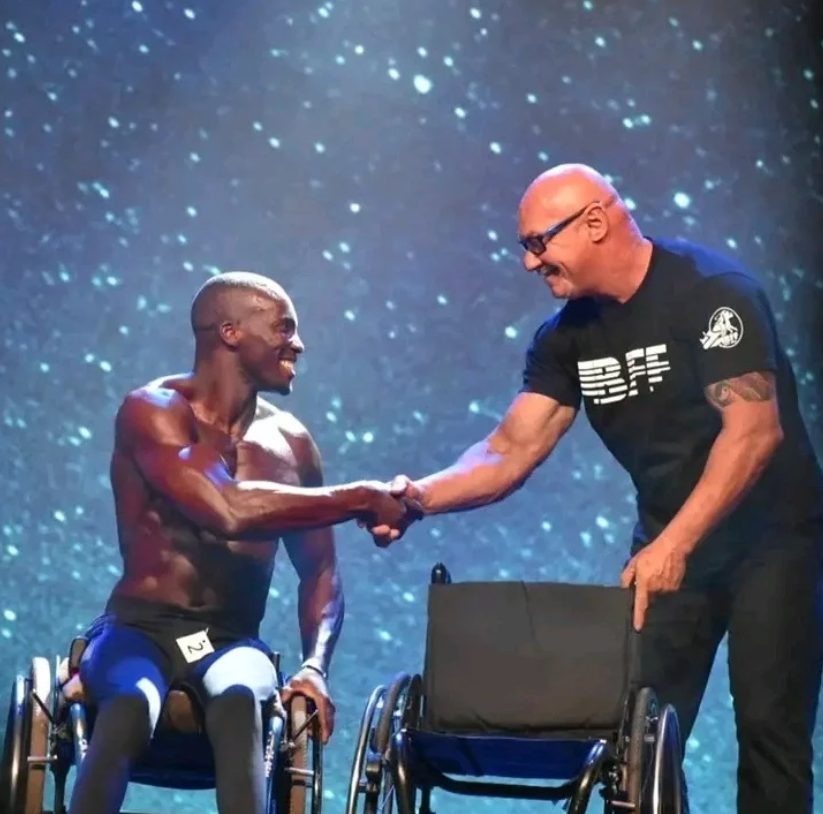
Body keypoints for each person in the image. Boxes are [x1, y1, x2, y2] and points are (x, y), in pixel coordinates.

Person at [369, 165, 823, 814]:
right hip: (667, 544)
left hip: (772, 545)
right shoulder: (566, 338)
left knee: (770, 732)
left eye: (538, 243)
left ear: (593, 222)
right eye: (525, 247)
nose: (530, 263)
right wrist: (420, 498)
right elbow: (509, 449)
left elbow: (753, 432)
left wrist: (676, 543)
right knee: (632, 741)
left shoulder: (711, 294)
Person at [68, 271, 408, 814]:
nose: (298, 344)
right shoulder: (152, 411)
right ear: (230, 332)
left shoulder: (292, 445)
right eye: (284, 328)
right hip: (140, 631)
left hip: (225, 641)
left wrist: (314, 667)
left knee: (241, 698)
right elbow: (226, 509)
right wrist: (363, 497)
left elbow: (319, 570)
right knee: (132, 703)